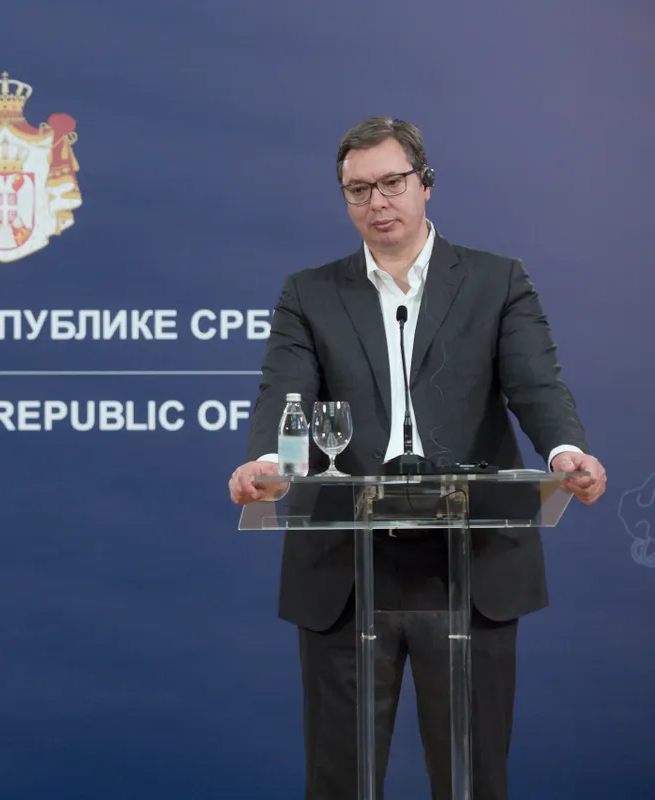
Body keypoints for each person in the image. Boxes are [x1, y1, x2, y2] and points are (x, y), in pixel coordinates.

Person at [228, 117, 606, 799]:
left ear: (425, 184)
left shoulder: (497, 280)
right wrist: (271, 465)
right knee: (339, 783)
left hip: (470, 563)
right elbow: (285, 398)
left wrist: (566, 451)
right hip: (347, 568)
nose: (376, 202)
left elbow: (536, 386)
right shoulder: (309, 294)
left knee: (473, 779)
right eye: (358, 190)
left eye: (391, 183)